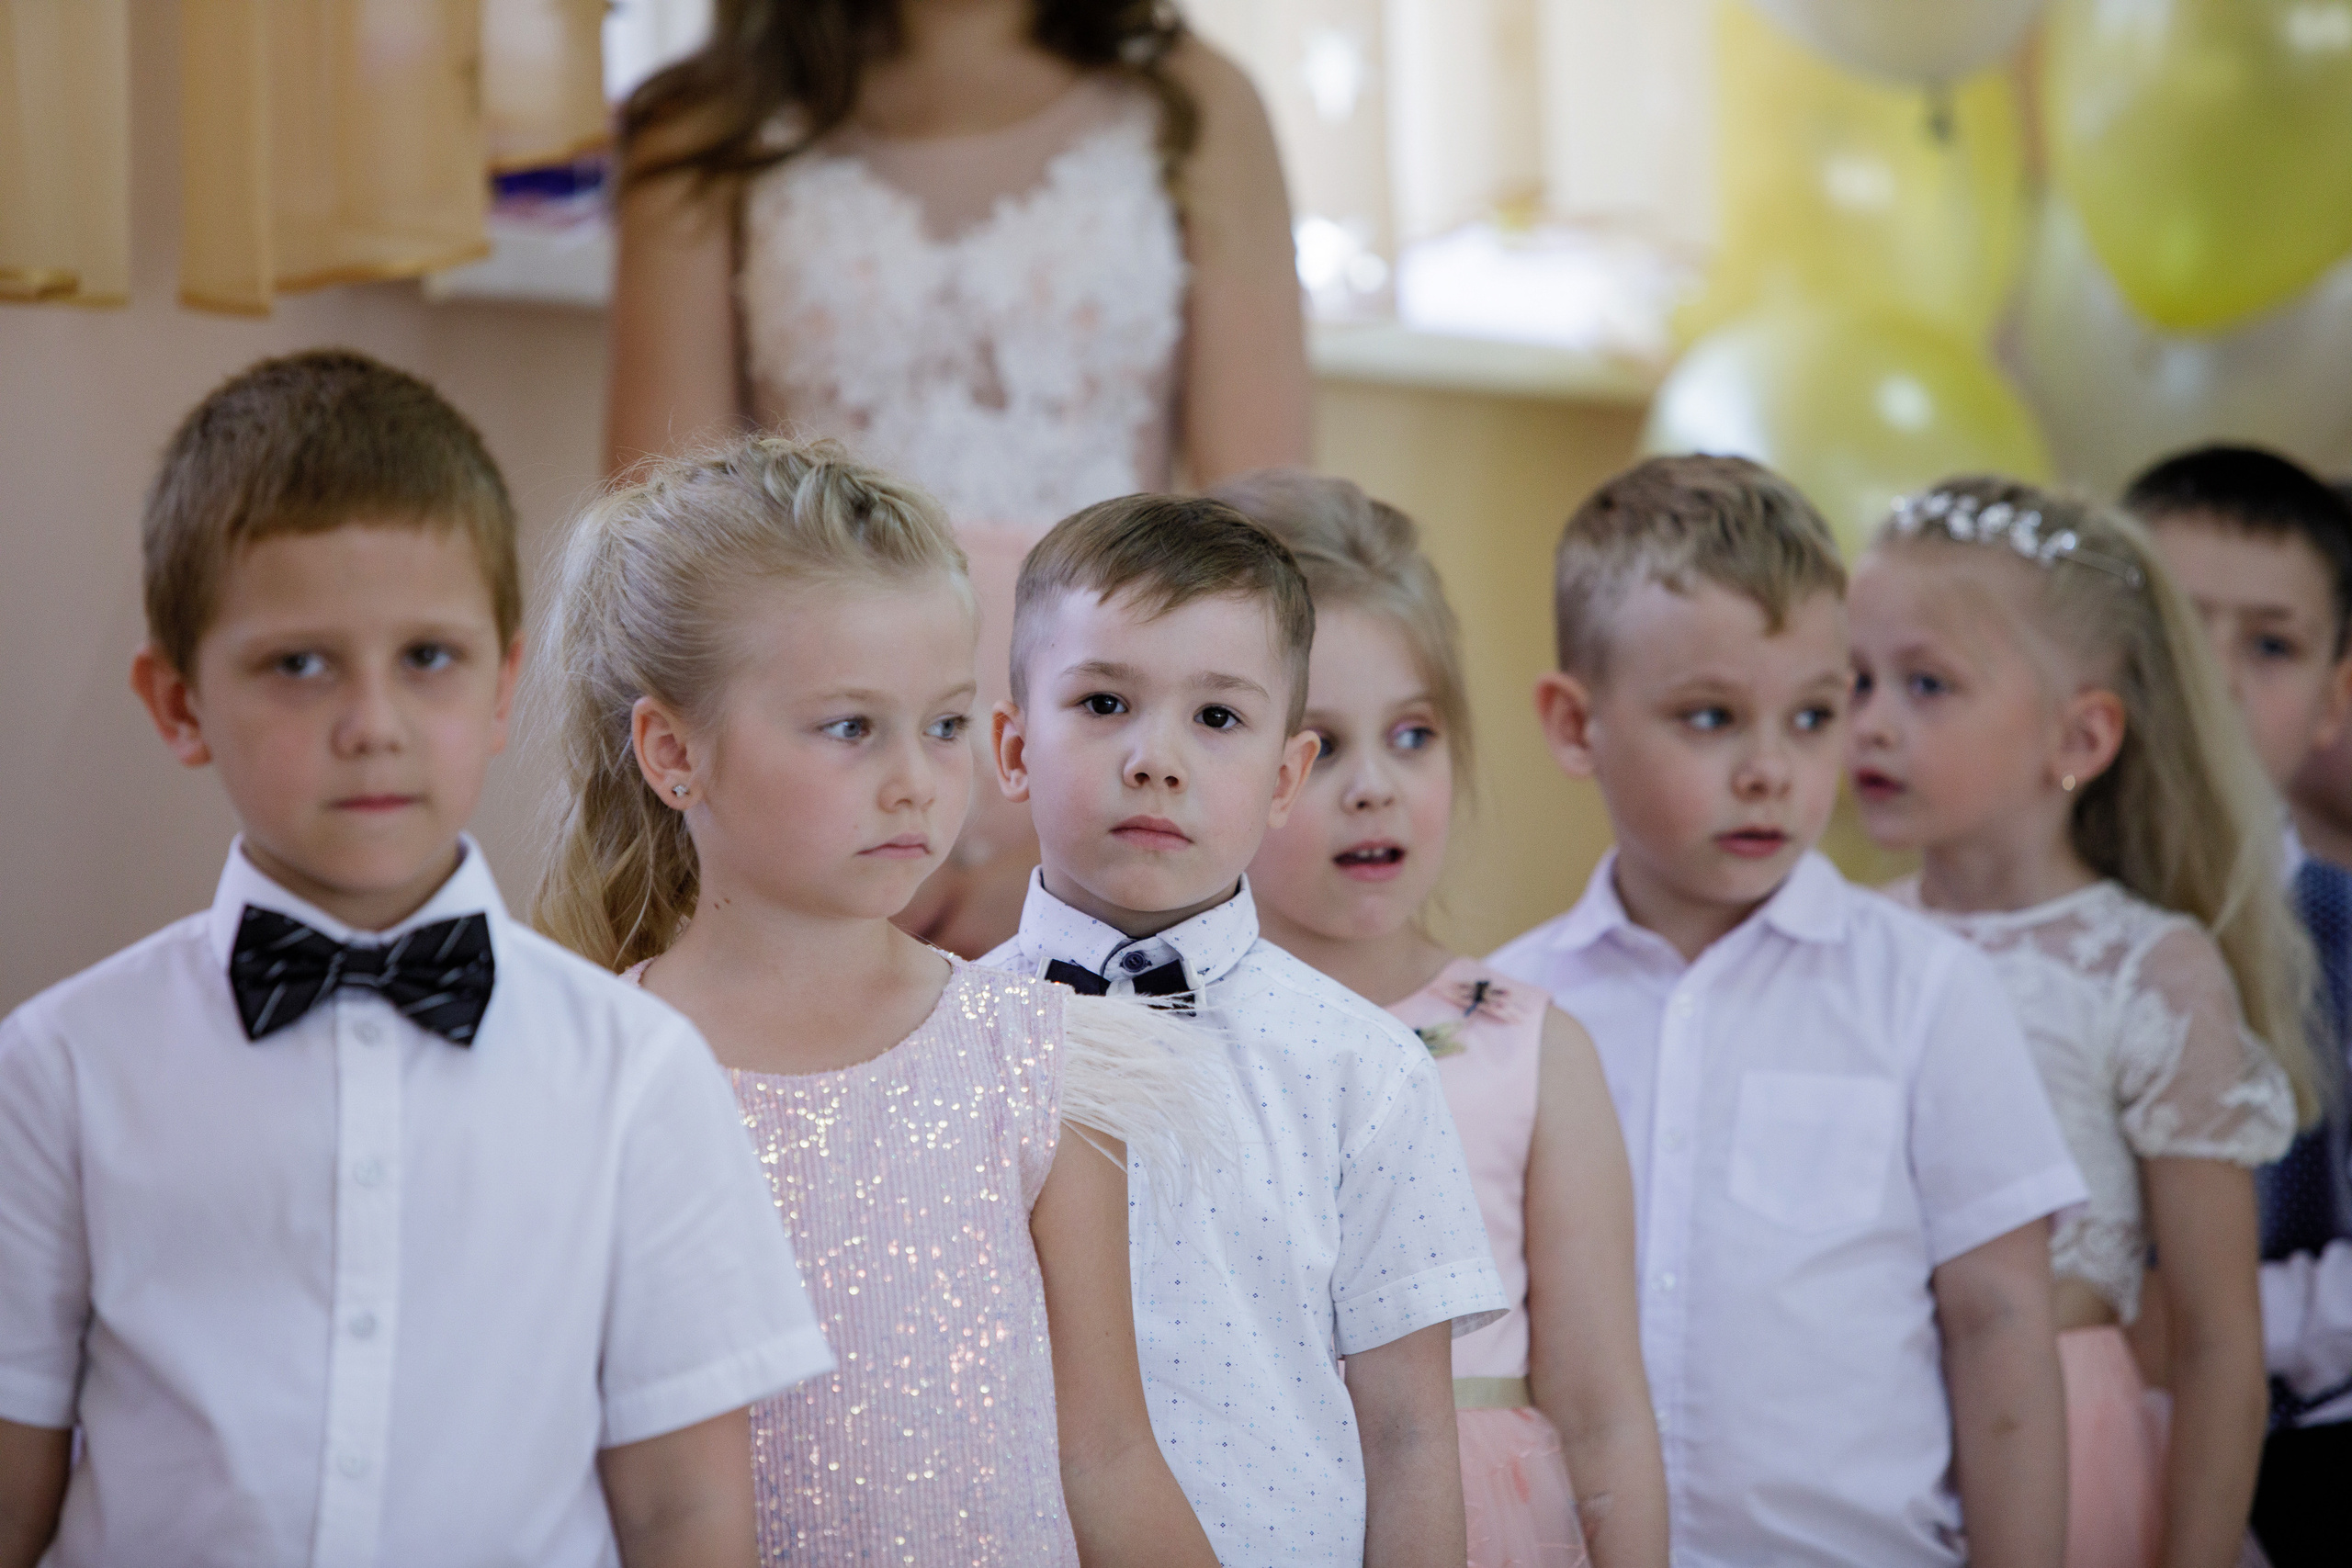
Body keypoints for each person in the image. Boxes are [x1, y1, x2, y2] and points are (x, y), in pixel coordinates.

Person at [0, 351, 832, 1568]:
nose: (372, 721)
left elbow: (684, 1512)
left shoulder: (638, 1071)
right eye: (299, 663)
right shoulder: (59, 1066)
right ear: (178, 702)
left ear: (503, 685)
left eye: (427, 659)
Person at [530, 436, 1223, 1568]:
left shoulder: (1037, 1057)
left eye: (945, 724)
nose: (915, 779)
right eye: (851, 727)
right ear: (672, 753)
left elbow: (1105, 1456)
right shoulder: (591, 1078)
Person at [606, 0, 1312, 956]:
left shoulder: (1197, 106)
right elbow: (661, 549)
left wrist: (1066, 843)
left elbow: (1262, 547)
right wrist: (827, 820)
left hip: (1123, 775)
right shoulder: (702, 125)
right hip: (810, 770)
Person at [1489, 455, 2085, 1568]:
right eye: (1710, 717)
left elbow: (2001, 1329)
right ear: (1575, 726)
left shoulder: (1925, 993)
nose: (1772, 769)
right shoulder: (1507, 1012)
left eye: (1814, 715)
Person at [978, 494, 1508, 1568]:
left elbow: (1409, 1434)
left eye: (1215, 718)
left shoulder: (1364, 1071)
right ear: (1014, 744)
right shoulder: (938, 1041)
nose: (1155, 758)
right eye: (1103, 702)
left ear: (1282, 777)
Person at [1847, 475, 2314, 1568]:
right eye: (1852, 680)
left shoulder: (2144, 969)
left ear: (2081, 735)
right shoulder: (1840, 943)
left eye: (1924, 684)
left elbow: (2212, 1344)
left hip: (2071, 1446)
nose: (1868, 723)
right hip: (1863, 1441)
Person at [1213, 468, 1667, 1568]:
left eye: (1411, 735)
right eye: (1319, 746)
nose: (1374, 786)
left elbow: (1603, 1407)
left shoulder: (1531, 1048)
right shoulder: (1162, 1034)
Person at [2122, 448, 2352, 1568]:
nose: (2210, 681)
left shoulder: (2335, 937)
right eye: (2169, 626)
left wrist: (2204, 1315)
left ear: (2331, 698)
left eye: (2268, 646)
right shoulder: (1956, 930)